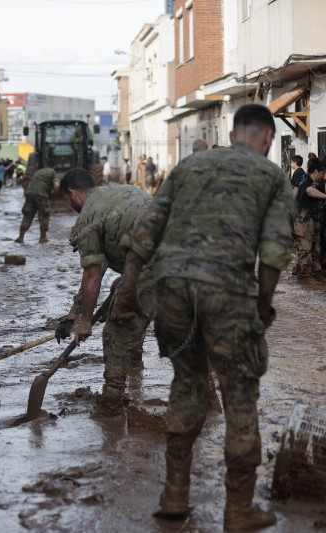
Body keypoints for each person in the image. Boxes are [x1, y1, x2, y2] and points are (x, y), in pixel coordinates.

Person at [111, 104, 293, 529]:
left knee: (188, 384)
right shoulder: (272, 177)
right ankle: (239, 509)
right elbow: (273, 253)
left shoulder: (188, 167)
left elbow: (145, 232)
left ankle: (174, 495)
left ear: (231, 135)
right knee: (240, 397)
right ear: (267, 139)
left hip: (172, 292)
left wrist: (127, 293)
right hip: (227, 294)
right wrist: (262, 307)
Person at [55, 169, 155, 417]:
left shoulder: (89, 217)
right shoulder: (120, 191)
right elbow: (98, 268)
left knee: (115, 332)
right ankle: (208, 399)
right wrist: (74, 314)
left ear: (72, 194)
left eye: (68, 202)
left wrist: (86, 322)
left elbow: (92, 276)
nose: (71, 207)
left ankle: (111, 403)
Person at [292, 157, 326, 278]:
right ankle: (305, 276)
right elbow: (309, 191)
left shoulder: (309, 181)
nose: (323, 176)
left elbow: (294, 195)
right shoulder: (306, 181)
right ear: (316, 171)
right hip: (304, 222)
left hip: (314, 222)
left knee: (315, 248)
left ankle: (315, 272)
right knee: (304, 249)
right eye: (322, 173)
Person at [14, 159, 61, 244]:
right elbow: (56, 185)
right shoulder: (53, 172)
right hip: (41, 194)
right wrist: (54, 193)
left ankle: (21, 237)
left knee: (28, 214)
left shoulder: (39, 171)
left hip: (29, 193)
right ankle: (42, 238)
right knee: (44, 214)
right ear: (54, 166)